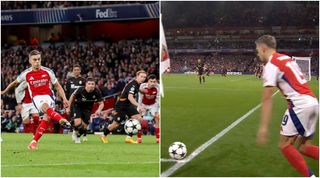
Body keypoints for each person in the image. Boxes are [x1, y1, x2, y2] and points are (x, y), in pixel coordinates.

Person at [255, 35, 319, 177]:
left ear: (264, 48)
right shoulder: (286, 58)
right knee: (304, 147)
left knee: (284, 144)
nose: (258, 54)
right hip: (313, 102)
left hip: (300, 106)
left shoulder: (271, 65)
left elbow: (267, 98)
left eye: (258, 50)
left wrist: (263, 127)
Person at [1, 49, 70, 150]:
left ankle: (34, 142)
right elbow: (15, 83)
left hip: (49, 96)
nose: (37, 61)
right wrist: (4, 91)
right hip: (37, 98)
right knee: (45, 107)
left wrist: (64, 98)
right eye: (34, 59)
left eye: (39, 59)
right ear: (30, 60)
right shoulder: (26, 74)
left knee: (46, 119)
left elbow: (57, 86)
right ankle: (60, 119)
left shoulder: (48, 71)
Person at [100, 70, 147, 144]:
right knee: (115, 124)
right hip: (121, 106)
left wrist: (143, 91)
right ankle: (103, 135)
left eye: (144, 77)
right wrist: (139, 105)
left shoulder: (136, 84)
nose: (143, 78)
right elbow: (130, 97)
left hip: (128, 105)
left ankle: (128, 138)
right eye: (141, 76)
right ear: (137, 76)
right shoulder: (133, 85)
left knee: (139, 118)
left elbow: (135, 90)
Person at [66, 77, 104, 143]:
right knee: (78, 123)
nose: (91, 85)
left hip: (88, 109)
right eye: (89, 84)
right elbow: (72, 96)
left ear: (95, 85)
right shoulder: (81, 90)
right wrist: (68, 107)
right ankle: (77, 138)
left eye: (92, 84)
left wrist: (99, 110)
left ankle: (76, 132)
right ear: (86, 84)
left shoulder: (97, 91)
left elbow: (101, 103)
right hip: (78, 106)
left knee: (84, 127)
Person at [65, 64, 86, 141]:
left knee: (82, 118)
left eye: (78, 70)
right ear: (73, 71)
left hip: (80, 103)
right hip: (71, 103)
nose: (76, 71)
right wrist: (66, 102)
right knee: (72, 118)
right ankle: (74, 131)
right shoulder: (69, 81)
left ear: (80, 71)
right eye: (75, 70)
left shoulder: (84, 80)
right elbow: (67, 93)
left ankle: (82, 133)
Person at [138, 74, 160, 144]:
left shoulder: (158, 87)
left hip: (153, 105)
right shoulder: (142, 86)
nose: (153, 83)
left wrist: (157, 110)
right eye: (151, 81)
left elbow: (158, 99)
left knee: (157, 118)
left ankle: (158, 139)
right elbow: (140, 97)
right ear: (148, 81)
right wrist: (140, 107)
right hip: (143, 104)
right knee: (139, 119)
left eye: (154, 81)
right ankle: (139, 138)